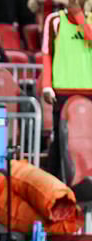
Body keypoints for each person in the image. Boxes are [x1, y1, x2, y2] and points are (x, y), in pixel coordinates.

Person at [41, 0, 92, 178]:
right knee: (60, 143)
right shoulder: (54, 20)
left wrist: (78, 15)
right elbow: (46, 54)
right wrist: (46, 85)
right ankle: (56, 190)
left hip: (90, 90)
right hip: (62, 92)